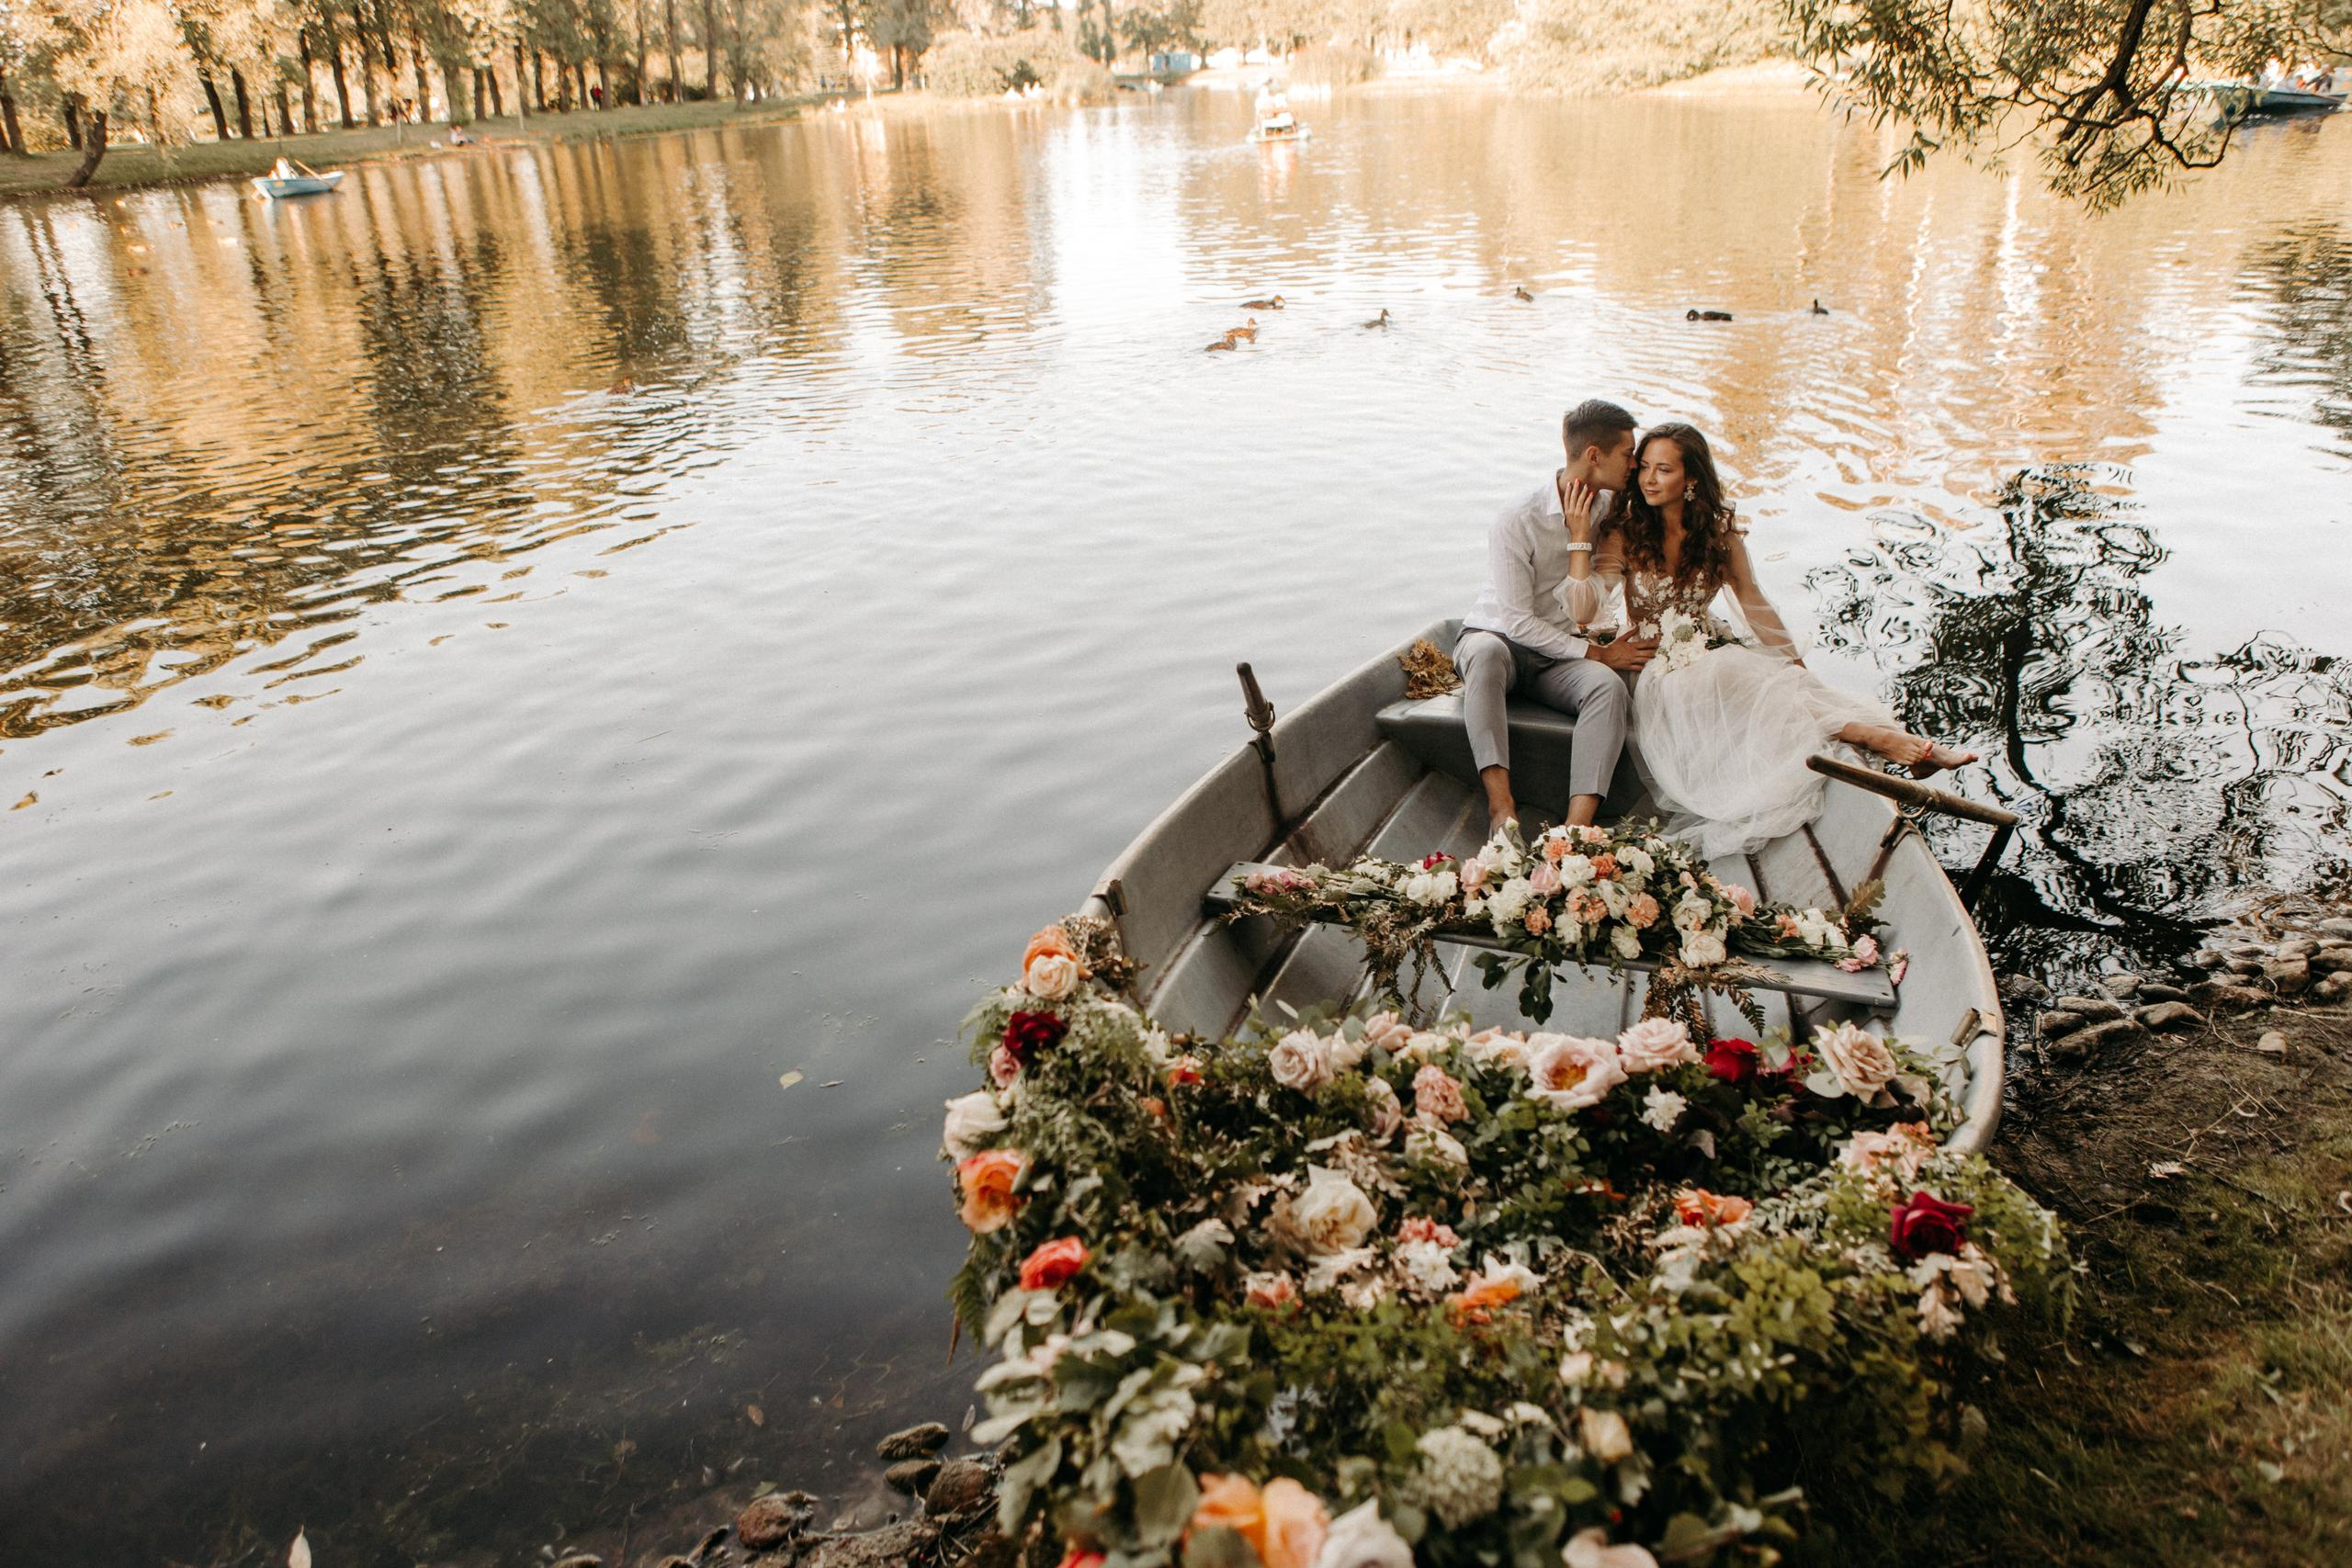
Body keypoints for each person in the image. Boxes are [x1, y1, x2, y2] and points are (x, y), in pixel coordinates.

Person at [1566, 422, 1975, 857]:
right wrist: (1580, 539)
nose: (1648, 479)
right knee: (1734, 677)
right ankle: (1883, 740)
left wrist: (1795, 666)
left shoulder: (1717, 534)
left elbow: (1753, 601)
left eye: (1663, 470)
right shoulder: (1625, 531)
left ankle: (1887, 740)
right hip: (1656, 666)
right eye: (1645, 467)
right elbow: (1585, 611)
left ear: (1692, 479)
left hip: (1712, 647)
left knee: (1776, 680)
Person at [1456, 400, 1656, 835]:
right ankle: (1501, 809)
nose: (1635, 464)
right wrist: (1598, 654)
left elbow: (1594, 601)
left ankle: (1575, 830)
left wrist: (1583, 538)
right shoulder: (1518, 518)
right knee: (1486, 653)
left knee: (1607, 688)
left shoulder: (1611, 511)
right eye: (1628, 453)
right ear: (1594, 456)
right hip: (1498, 639)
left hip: (1556, 659)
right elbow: (1517, 622)